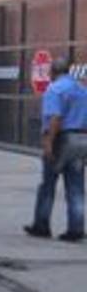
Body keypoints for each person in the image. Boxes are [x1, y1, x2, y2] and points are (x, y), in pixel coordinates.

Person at [25, 57, 87, 241]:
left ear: (53, 72)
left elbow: (55, 118)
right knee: (75, 187)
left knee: (47, 185)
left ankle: (41, 225)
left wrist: (48, 144)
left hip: (61, 139)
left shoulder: (54, 89)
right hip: (79, 139)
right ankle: (76, 229)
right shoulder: (82, 90)